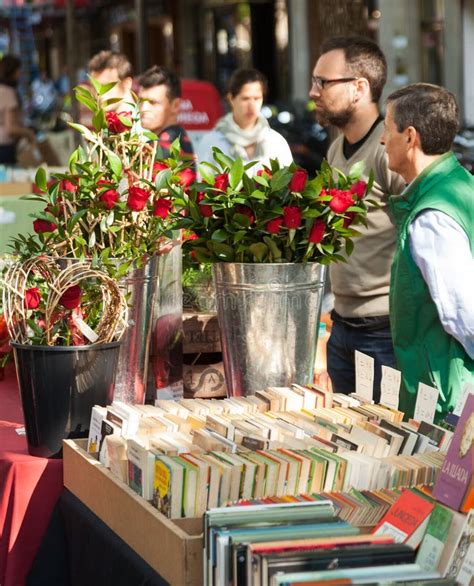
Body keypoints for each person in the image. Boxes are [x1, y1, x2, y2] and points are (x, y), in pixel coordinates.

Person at [309, 36, 405, 402]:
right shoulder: (335, 149)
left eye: (324, 82)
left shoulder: (388, 150)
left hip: (384, 332)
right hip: (342, 325)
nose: (314, 91)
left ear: (359, 88)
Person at [380, 83, 474, 421]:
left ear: (409, 137)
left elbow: (464, 314)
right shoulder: (461, 183)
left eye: (386, 129)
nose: (381, 140)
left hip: (448, 396)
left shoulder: (433, 216)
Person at [196, 68, 292, 172]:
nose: (251, 105)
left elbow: (288, 181)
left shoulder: (276, 142)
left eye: (257, 98)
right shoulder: (212, 142)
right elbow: (202, 183)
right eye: (245, 99)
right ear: (231, 98)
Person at [138, 65, 194, 160]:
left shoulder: (168, 148)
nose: (143, 108)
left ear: (175, 105)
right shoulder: (162, 143)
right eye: (141, 101)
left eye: (153, 102)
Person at [0, 55, 36, 164]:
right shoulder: (7, 92)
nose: (20, 74)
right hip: (4, 147)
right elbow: (10, 128)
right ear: (11, 72)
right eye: (18, 70)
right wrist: (29, 133)